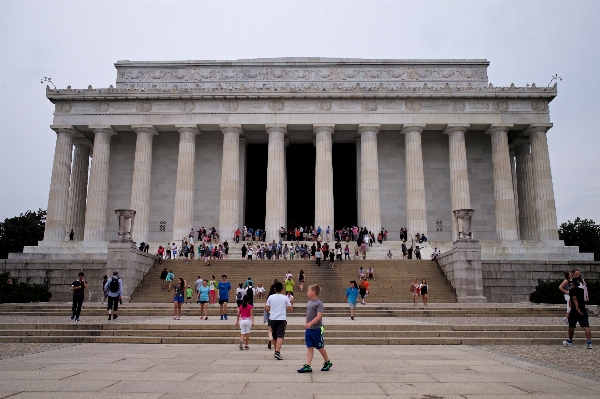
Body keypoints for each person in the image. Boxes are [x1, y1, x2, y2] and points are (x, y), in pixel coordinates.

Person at [297, 284, 333, 373]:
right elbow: (308, 315)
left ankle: (327, 361)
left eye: (308, 290)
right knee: (310, 347)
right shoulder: (308, 303)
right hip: (309, 329)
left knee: (320, 347)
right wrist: (307, 324)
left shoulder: (319, 303)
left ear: (313, 292)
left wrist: (310, 323)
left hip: (317, 329)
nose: (307, 292)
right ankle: (308, 365)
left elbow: (319, 316)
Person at [265, 281, 293, 360]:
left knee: (274, 335)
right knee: (280, 335)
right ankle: (277, 352)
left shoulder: (271, 297)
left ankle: (276, 351)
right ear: (282, 289)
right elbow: (291, 309)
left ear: (274, 289)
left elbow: (267, 308)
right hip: (281, 318)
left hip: (273, 318)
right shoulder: (285, 297)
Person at [563, 276, 593, 349]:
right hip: (583, 309)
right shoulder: (582, 290)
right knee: (586, 326)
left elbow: (574, 299)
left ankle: (570, 341)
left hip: (575, 310)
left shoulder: (572, 290)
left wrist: (577, 308)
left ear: (573, 283)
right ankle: (589, 342)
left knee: (571, 326)